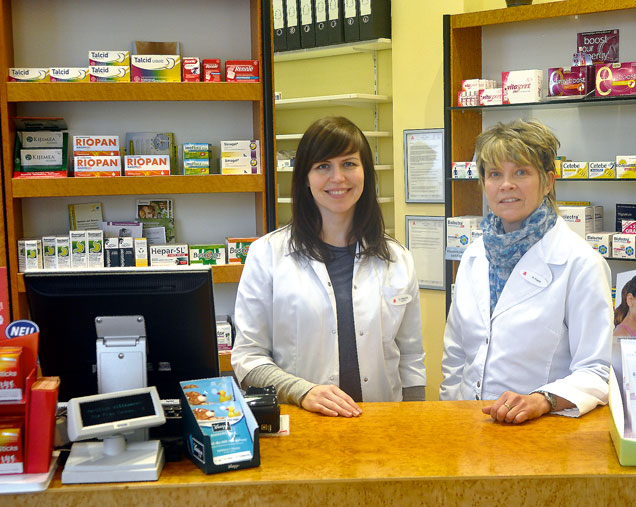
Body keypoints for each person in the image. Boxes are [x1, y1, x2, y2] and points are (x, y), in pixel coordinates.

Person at [231, 116, 426, 417]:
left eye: (349, 164)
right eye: (323, 166)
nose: (338, 178)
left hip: (382, 429)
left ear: (366, 173)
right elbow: (248, 358)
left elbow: (411, 360)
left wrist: (415, 424)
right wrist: (302, 391)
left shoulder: (397, 259)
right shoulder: (267, 255)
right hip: (302, 428)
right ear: (305, 178)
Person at [440, 119, 613, 424]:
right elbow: (455, 355)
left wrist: (543, 399)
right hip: (468, 428)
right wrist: (451, 416)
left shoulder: (581, 263)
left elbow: (597, 371)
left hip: (542, 430)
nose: (506, 185)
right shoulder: (474, 255)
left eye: (521, 172)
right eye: (495, 174)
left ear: (548, 182)